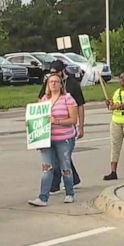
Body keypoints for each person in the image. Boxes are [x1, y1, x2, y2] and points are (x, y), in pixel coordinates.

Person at [29, 74, 78, 206]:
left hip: (64, 138)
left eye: (56, 82)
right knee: (47, 168)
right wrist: (32, 125)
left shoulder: (67, 99)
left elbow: (73, 120)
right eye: (51, 82)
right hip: (47, 139)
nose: (53, 84)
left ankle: (69, 193)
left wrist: (56, 121)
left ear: (61, 84)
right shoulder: (44, 100)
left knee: (65, 166)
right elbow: (37, 117)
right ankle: (43, 197)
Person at [38, 60, 84, 193]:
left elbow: (80, 106)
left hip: (65, 133)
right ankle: (65, 181)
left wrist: (81, 126)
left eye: (55, 74)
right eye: (51, 75)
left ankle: (62, 185)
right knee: (57, 159)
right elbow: (40, 103)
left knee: (62, 159)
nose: (53, 79)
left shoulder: (72, 86)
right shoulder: (48, 84)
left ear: (61, 71)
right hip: (51, 133)